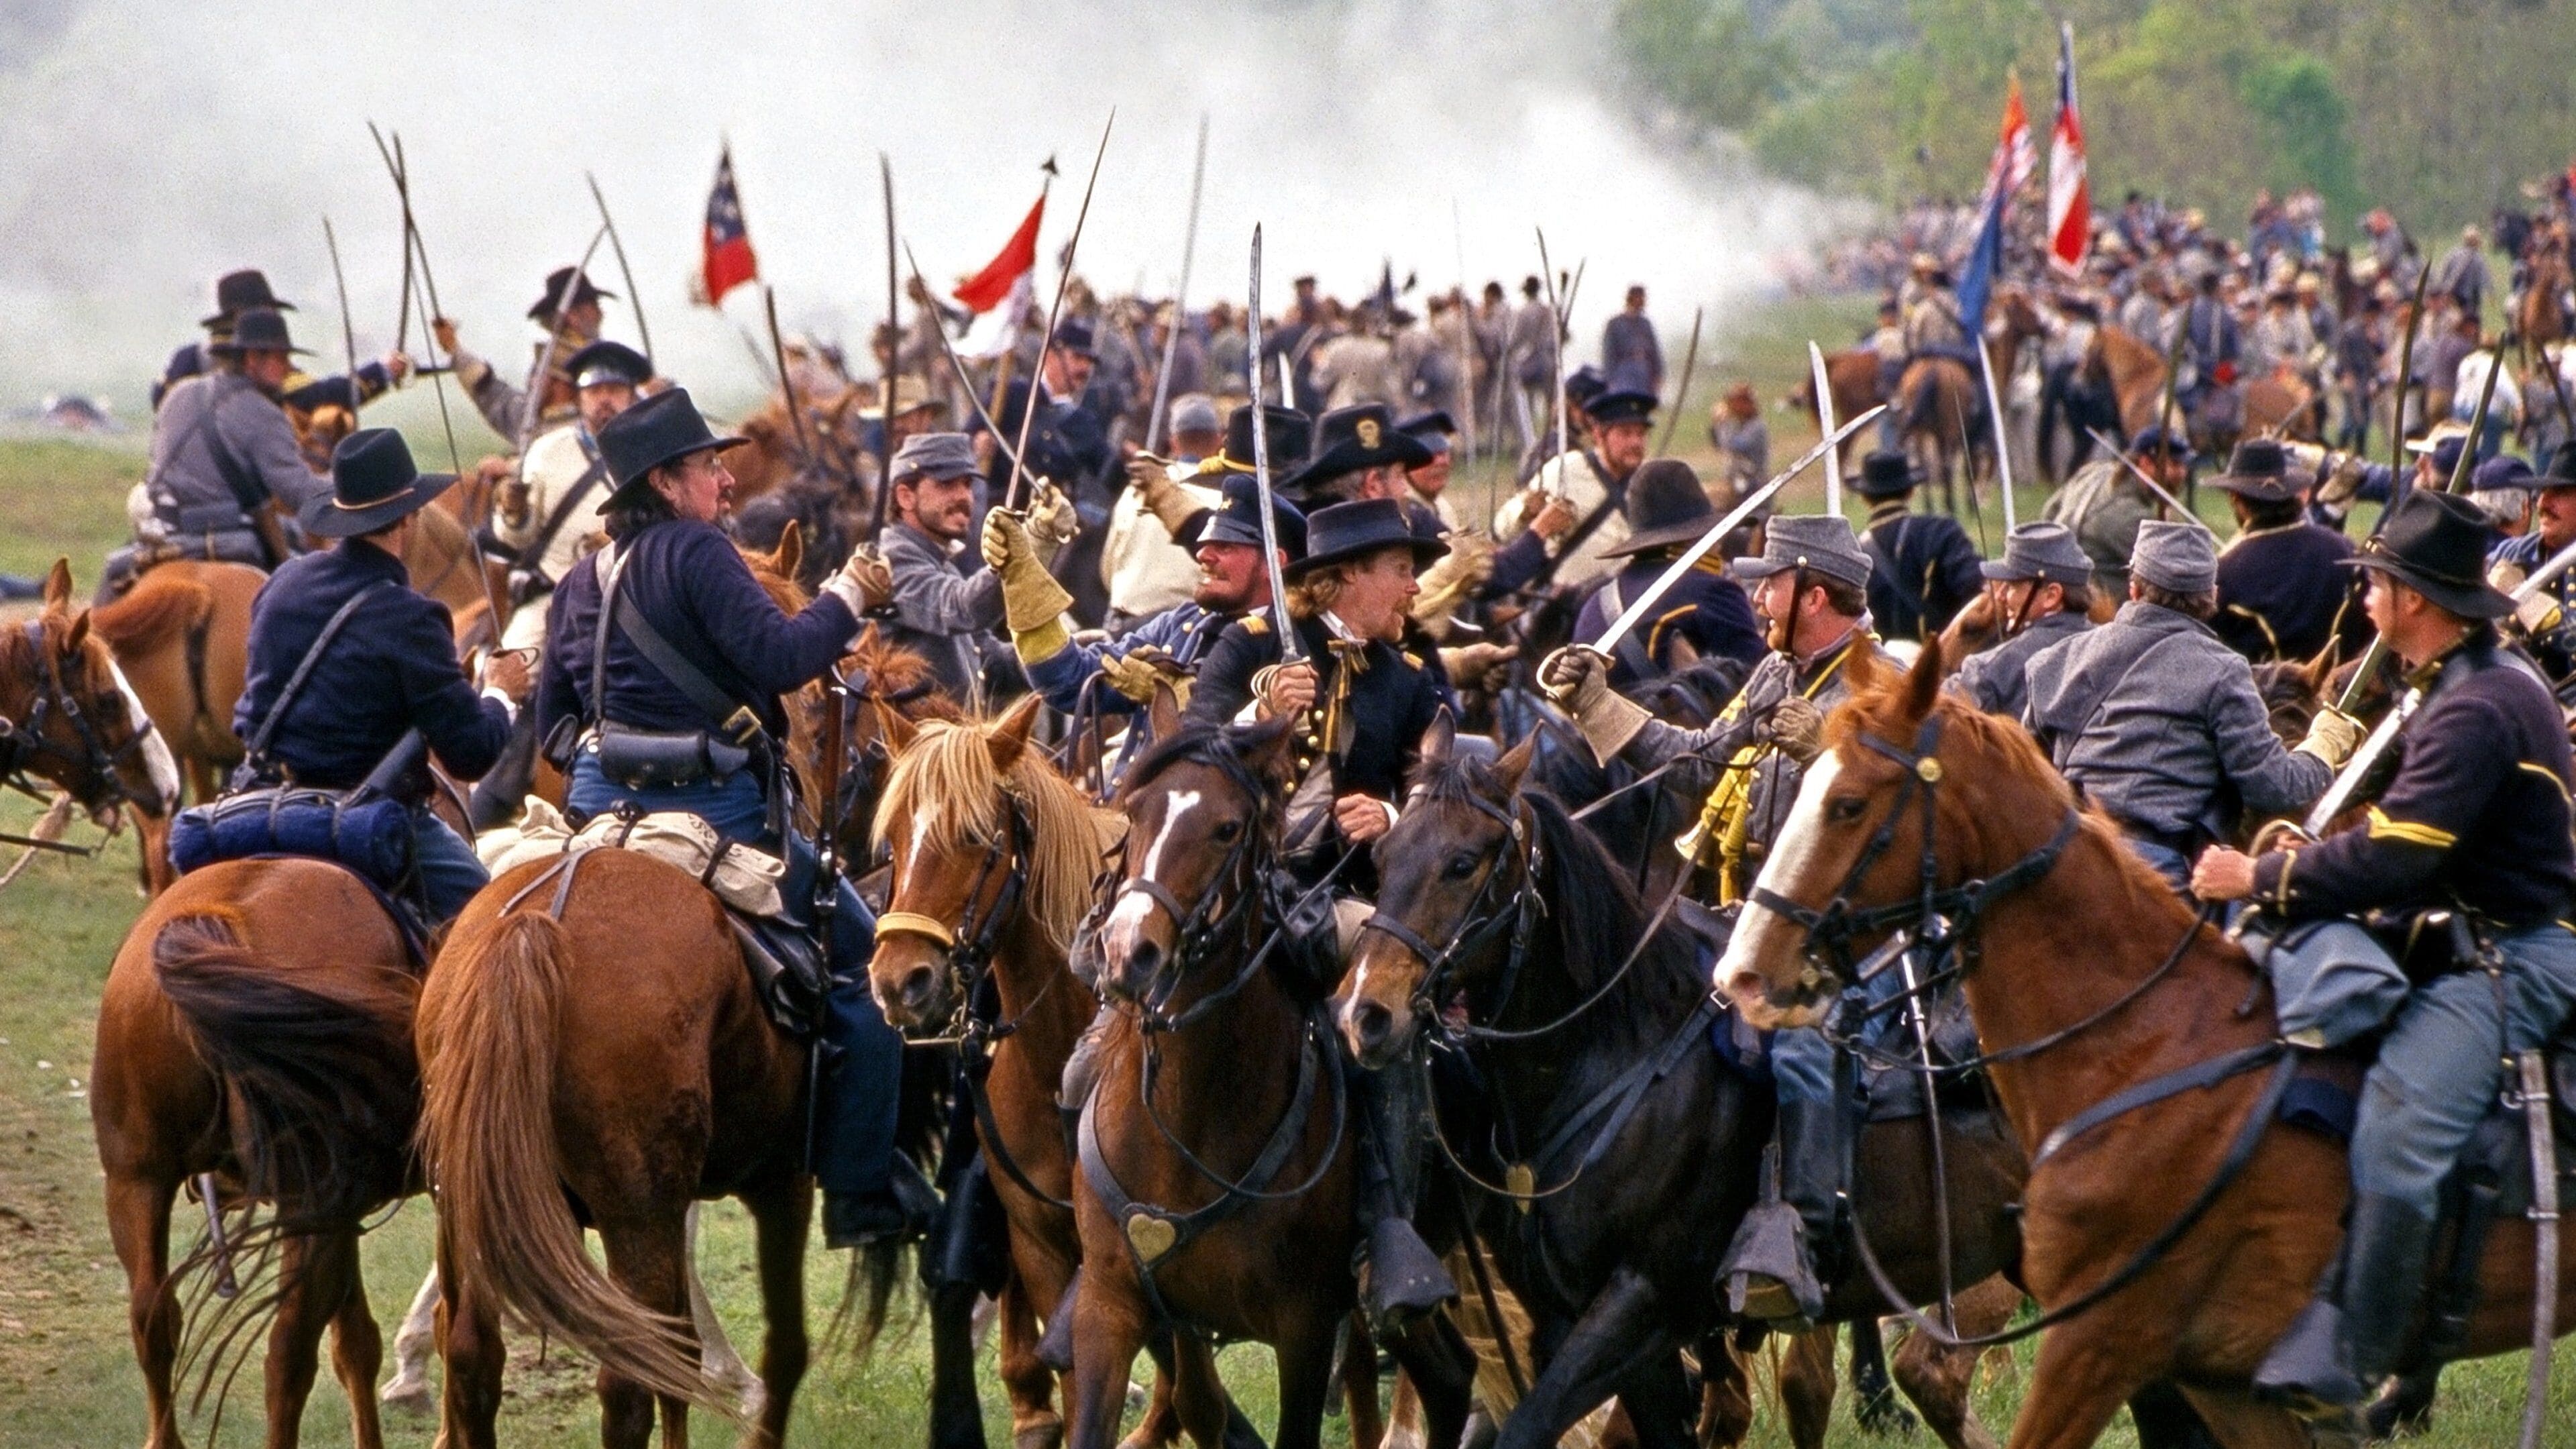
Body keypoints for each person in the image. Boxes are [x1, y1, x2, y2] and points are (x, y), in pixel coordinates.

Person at [2190, 489, 2576, 1420]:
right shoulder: (2448, 685)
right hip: (2454, 932)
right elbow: (2391, 830)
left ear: (2415, 600)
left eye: (2376, 583)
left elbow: (2403, 852)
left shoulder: (2481, 705)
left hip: (2514, 956)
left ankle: (2356, 1358)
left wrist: (2265, 877)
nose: (2364, 596)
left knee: (2401, 1138)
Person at [533, 386, 924, 1248]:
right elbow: (784, 656)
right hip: (722, 815)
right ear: (669, 483)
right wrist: (850, 596)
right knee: (868, 972)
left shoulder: (580, 579)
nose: (725, 482)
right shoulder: (703, 554)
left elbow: (554, 728)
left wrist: (619, 749)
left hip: (600, 818)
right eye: (710, 467)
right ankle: (862, 1191)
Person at [1542, 515, 1887, 1324]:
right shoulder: (1777, 675)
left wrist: (1819, 758)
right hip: (1742, 916)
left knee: (1801, 1045)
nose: (1757, 595)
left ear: (1816, 593)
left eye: (1772, 582)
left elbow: (1903, 816)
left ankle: (1799, 1232)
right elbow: (1698, 761)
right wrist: (1595, 704)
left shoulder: (1882, 685)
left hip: (1836, 931)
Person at [1183, 497, 1459, 1332]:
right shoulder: (1252, 646)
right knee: (1111, 976)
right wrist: (1260, 713)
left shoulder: (1406, 679)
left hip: (1334, 895)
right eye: (1401, 570)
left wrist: (1393, 822)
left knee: (1392, 1010)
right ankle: (1099, 1223)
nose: (1415, 586)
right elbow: (1187, 752)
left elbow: (1439, 790)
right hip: (1232, 886)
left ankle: (1388, 1228)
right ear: (1346, 578)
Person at [233, 429, 525, 925]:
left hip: (257, 800)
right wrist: (500, 692)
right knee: (490, 923)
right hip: (361, 815)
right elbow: (471, 752)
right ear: (409, 517)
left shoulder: (283, 583)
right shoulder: (412, 618)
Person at [2021, 521, 2350, 890]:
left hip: (2063, 862)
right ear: (2211, 595)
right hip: (2154, 877)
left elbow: (2028, 772)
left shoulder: (2054, 661)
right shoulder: (2225, 673)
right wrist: (2323, 746)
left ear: (2134, 587)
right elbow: (2275, 788)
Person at [468, 339, 653, 830]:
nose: (605, 400)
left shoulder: (653, 454)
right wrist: (512, 511)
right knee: (511, 668)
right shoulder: (549, 452)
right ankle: (491, 793)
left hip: (634, 603)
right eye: (595, 391)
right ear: (580, 398)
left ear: (633, 395)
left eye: (615, 390)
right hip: (553, 596)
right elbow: (517, 537)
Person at [133, 308, 333, 574]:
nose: (288, 369)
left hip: (162, 532)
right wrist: (347, 489)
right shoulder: (265, 413)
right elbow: (297, 492)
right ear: (252, 359)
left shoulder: (179, 393)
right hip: (227, 536)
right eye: (281, 359)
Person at [881, 431, 1072, 708]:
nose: (964, 496)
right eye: (947, 485)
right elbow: (959, 608)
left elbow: (990, 661)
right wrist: (1023, 549)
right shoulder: (888, 561)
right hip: (909, 746)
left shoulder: (941, 564)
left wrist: (1064, 653)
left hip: (954, 742)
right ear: (905, 496)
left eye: (968, 484)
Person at [1570, 459, 1764, 686]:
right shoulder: (1713, 591)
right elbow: (1758, 685)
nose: (1719, 544)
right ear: (1696, 537)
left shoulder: (1594, 603)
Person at [155, 268, 409, 413]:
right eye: (267, 310)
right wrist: (382, 371)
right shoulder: (257, 358)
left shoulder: (187, 358)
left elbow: (159, 397)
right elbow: (319, 396)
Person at [2208, 439, 2366, 663]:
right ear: (2292, 492)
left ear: (2237, 500)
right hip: (2344, 690)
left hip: (2265, 696)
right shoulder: (2344, 548)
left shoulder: (2224, 573)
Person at [1491, 386, 1654, 592]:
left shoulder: (1652, 482)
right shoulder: (1564, 470)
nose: (1635, 442)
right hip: (1564, 608)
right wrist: (1527, 511)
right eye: (1625, 433)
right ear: (1598, 435)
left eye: (1641, 434)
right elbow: (1502, 529)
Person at [437, 265, 612, 441]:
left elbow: (516, 416)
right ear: (572, 315)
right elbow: (517, 416)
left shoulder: (605, 365)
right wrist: (456, 351)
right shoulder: (552, 364)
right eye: (594, 305)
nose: (600, 313)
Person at [1946, 521, 2094, 720]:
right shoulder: (2110, 645)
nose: (2000, 596)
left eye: (2012, 586)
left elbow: (1933, 711)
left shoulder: (1994, 670)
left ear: (2051, 596)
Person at [1099, 393, 1224, 626]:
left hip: (1125, 623)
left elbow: (1108, 569)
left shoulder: (1136, 491)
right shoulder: (1226, 497)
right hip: (1187, 628)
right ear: (1219, 441)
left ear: (1174, 442)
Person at [2041, 425, 2194, 596]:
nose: (2182, 473)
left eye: (2183, 465)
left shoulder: (2093, 472)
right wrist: (2169, 522)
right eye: (2174, 464)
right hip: (2098, 608)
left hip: (2056, 585)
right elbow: (2175, 574)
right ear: (2145, 463)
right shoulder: (2133, 519)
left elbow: (2050, 512)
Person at [1854, 450, 1982, 641]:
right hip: (1937, 663)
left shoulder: (1853, 551)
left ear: (1864, 498)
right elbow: (1976, 589)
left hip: (1877, 666)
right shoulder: (1941, 531)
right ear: (1911, 491)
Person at [2486, 445, 2576, 683]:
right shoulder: (2514, 550)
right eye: (2542, 492)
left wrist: (2524, 599)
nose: (2543, 503)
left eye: (2559, 493)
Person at [1707, 382, 1770, 499]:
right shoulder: (1737, 424)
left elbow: (1734, 446)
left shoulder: (1757, 427)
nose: (1730, 406)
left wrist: (1723, 423)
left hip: (1753, 484)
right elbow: (1719, 445)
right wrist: (1717, 424)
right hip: (1737, 480)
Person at [1602, 284, 1663, 395]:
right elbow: (1609, 353)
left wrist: (1658, 374)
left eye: (1642, 298)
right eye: (1638, 297)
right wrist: (1610, 379)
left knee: (1644, 403)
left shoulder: (1646, 324)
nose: (1641, 301)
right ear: (1631, 298)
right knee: (1625, 401)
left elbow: (1655, 351)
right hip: (1624, 370)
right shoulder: (1615, 324)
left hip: (1644, 370)